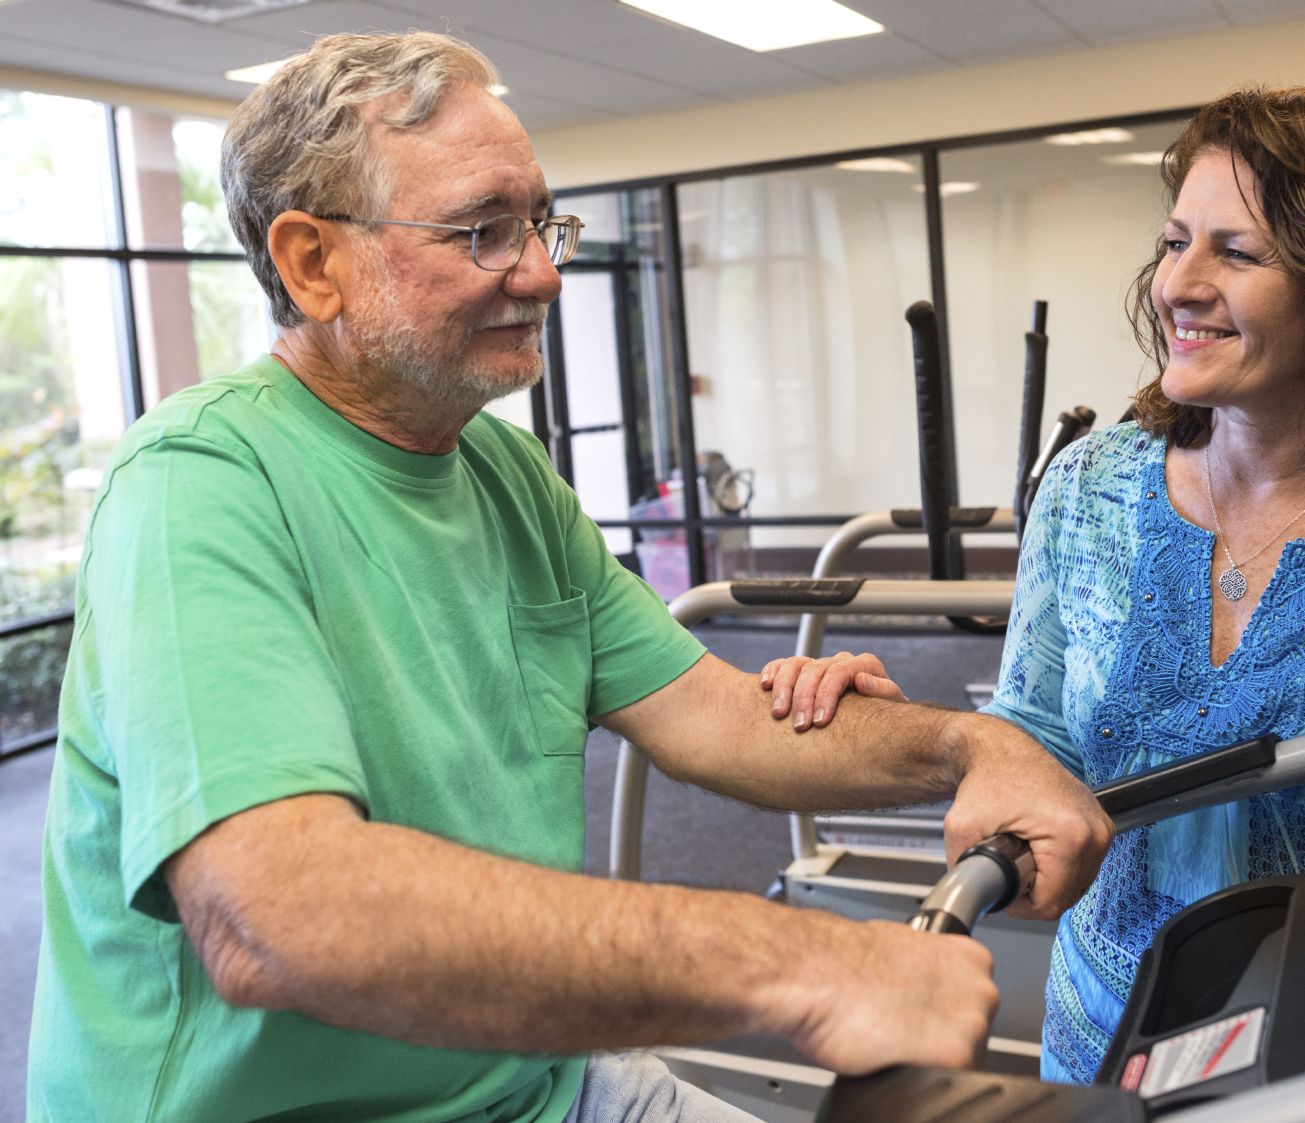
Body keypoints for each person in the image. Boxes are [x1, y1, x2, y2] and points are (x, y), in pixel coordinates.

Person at [25, 32, 1116, 1123]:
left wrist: (973, 747)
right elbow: (275, 915)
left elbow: (717, 717)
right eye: (483, 231)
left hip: (530, 1079)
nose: (543, 271)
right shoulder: (202, 485)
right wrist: (807, 962)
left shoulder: (502, 469)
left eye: (540, 222)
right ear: (316, 264)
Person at [762, 79, 1305, 1085]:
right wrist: (921, 733)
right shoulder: (1090, 487)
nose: (1178, 283)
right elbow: (1038, 738)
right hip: (1111, 1037)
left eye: (1238, 252)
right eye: (1175, 241)